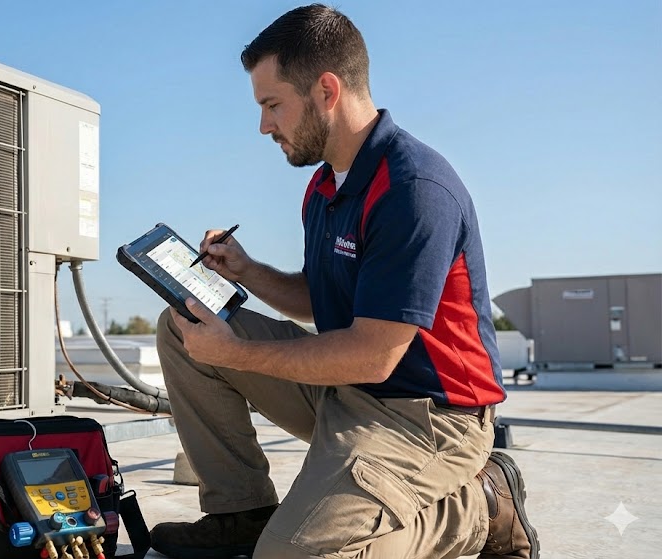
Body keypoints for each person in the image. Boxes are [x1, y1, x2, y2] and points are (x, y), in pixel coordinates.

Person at [149, 4, 539, 559]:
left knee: (295, 554)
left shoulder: (414, 188)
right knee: (181, 327)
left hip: (428, 417)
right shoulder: (325, 186)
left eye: (272, 105)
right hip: (346, 388)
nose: (264, 125)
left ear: (326, 90)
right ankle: (241, 511)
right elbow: (322, 299)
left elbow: (372, 355)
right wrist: (247, 271)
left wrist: (236, 353)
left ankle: (480, 505)